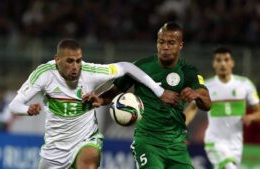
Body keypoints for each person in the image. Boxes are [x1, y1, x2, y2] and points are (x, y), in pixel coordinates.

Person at [9, 39, 179, 169]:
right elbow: (14, 105)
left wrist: (159, 91)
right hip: (55, 149)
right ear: (57, 59)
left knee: (89, 161)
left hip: (86, 139)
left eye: (78, 60)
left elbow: (127, 67)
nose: (76, 66)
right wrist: (27, 109)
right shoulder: (44, 74)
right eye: (70, 61)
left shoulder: (90, 72)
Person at [85, 22, 211, 169]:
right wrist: (99, 99)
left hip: (176, 145)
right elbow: (114, 92)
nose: (165, 47)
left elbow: (207, 103)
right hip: (147, 141)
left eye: (171, 43)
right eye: (161, 42)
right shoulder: (140, 67)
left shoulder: (188, 72)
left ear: (180, 45)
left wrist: (197, 95)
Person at [184, 47, 260, 169]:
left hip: (235, 144)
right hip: (214, 141)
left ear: (232, 63)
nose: (222, 63)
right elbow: (192, 108)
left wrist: (250, 116)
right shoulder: (206, 86)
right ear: (213, 63)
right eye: (218, 60)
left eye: (226, 60)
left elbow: (259, 114)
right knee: (229, 167)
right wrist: (180, 128)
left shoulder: (245, 84)